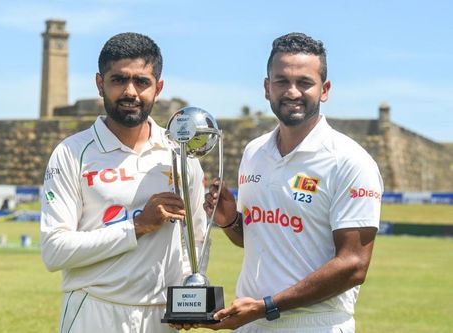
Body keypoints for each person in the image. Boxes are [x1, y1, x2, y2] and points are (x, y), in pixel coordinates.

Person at [200, 33, 383, 332]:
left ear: (324, 90)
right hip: (252, 318)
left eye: (304, 82)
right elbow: (257, 239)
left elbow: (353, 265)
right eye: (282, 81)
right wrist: (230, 220)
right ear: (266, 87)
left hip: (313, 323)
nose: (292, 92)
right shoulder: (254, 151)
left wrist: (267, 305)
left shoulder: (349, 160)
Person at [40, 32, 208, 333]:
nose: (130, 91)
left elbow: (193, 242)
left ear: (158, 87)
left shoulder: (180, 154)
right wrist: (138, 226)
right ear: (99, 83)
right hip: (93, 308)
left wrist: (189, 293)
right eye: (118, 80)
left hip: (160, 316)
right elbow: (54, 251)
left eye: (142, 82)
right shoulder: (71, 153)